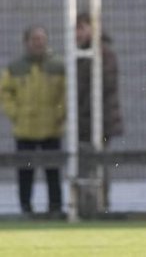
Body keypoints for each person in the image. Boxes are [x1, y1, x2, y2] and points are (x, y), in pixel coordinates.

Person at [0, 26, 65, 216]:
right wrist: (15, 114)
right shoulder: (15, 67)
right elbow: (5, 93)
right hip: (25, 128)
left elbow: (66, 93)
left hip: (51, 127)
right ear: (26, 42)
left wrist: (60, 114)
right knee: (25, 172)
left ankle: (55, 207)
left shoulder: (58, 65)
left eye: (42, 38)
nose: (39, 43)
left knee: (53, 171)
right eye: (35, 39)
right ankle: (25, 207)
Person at [76, 12, 123, 216]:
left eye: (81, 28)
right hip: (84, 121)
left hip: (100, 122)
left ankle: (101, 206)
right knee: (85, 165)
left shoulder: (104, 54)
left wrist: (82, 112)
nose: (77, 33)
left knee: (99, 165)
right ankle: (86, 206)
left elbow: (101, 87)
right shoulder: (79, 54)